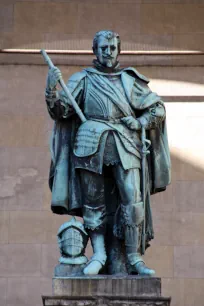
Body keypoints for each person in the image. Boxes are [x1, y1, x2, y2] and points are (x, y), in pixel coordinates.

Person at [45, 30, 171, 276]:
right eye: (103, 47)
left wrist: (141, 122)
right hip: (90, 143)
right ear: (95, 50)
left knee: (133, 201)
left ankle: (134, 257)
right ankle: (99, 254)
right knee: (93, 202)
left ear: (118, 50)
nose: (108, 52)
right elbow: (62, 111)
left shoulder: (130, 80)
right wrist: (51, 90)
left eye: (112, 48)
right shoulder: (82, 79)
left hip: (126, 142)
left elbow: (158, 109)